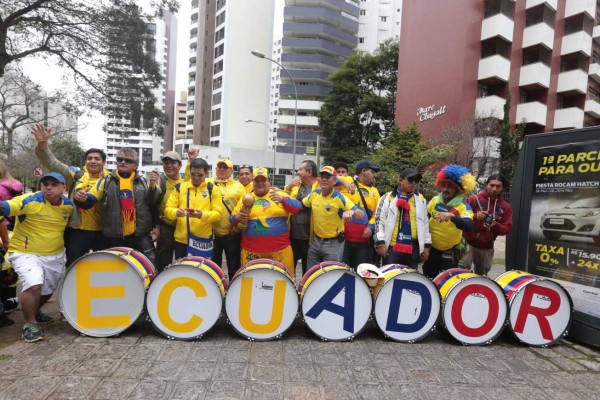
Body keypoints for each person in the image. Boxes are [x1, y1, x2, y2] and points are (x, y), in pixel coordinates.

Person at [0, 172, 74, 342]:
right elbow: (6, 207)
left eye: (54, 184)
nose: (48, 187)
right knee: (34, 284)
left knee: (48, 289)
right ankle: (30, 324)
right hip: (25, 252)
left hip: (54, 255)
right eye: (45, 183)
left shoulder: (69, 206)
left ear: (64, 188)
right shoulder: (29, 200)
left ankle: (34, 310)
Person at [32, 124, 110, 268]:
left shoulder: (111, 180)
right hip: (77, 231)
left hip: (103, 232)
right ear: (85, 161)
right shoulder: (75, 175)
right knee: (74, 267)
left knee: (103, 268)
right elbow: (52, 163)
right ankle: (71, 291)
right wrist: (42, 143)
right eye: (89, 158)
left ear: (104, 163)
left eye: (97, 159)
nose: (93, 161)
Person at [74, 148, 160, 264]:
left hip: (141, 235)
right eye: (120, 159)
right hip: (116, 236)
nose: (122, 162)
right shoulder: (106, 181)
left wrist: (157, 226)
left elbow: (153, 204)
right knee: (116, 271)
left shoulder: (144, 182)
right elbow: (89, 201)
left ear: (135, 165)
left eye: (127, 160)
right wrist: (80, 199)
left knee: (150, 267)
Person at [274, 166, 364, 267]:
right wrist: (283, 198)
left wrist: (351, 212)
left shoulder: (339, 197)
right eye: (322, 177)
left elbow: (361, 214)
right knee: (311, 274)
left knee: (330, 274)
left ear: (334, 180)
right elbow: (299, 205)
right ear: (318, 179)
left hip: (333, 244)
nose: (324, 179)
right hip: (315, 242)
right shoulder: (315, 194)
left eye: (328, 177)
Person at [232, 167, 296, 273]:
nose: (260, 183)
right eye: (257, 181)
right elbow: (231, 219)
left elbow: (297, 208)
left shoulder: (280, 195)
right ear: (253, 182)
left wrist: (284, 199)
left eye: (263, 180)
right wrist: (237, 217)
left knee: (283, 285)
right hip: (251, 252)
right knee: (251, 284)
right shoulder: (246, 198)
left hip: (280, 252)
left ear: (269, 181)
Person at [422, 164, 475, 279]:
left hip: (450, 252)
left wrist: (453, 217)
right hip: (431, 250)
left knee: (447, 282)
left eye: (449, 186)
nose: (445, 189)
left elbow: (468, 226)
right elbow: (423, 221)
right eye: (443, 185)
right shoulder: (435, 201)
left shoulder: (463, 207)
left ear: (458, 189)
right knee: (429, 280)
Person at [164, 158, 222, 259]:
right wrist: (176, 212)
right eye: (193, 174)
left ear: (206, 173)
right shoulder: (180, 187)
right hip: (181, 240)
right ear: (189, 172)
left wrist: (201, 215)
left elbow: (217, 214)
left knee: (201, 272)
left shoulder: (213, 189)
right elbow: (168, 209)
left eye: (200, 175)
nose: (196, 178)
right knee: (182, 271)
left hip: (202, 240)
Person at [374, 168, 431, 269]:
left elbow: (426, 224)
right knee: (389, 279)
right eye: (410, 180)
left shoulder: (421, 200)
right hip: (392, 247)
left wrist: (426, 247)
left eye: (416, 181)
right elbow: (379, 222)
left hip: (413, 248)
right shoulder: (387, 198)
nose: (413, 183)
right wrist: (380, 243)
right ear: (401, 180)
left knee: (411, 279)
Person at [459, 175, 513, 276]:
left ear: (502, 188)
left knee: (482, 276)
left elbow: (507, 229)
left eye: (498, 186)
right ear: (486, 185)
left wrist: (495, 225)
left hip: (486, 246)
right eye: (492, 185)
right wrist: (475, 216)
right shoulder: (472, 199)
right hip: (467, 242)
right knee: (461, 271)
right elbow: (459, 217)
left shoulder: (506, 207)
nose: (494, 189)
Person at [211, 158, 245, 280]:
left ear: (231, 170)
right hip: (212, 234)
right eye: (219, 167)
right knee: (214, 267)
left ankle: (232, 291)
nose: (222, 170)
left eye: (225, 167)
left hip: (231, 233)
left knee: (233, 266)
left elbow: (244, 209)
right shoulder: (209, 183)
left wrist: (236, 228)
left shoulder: (239, 187)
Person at [342, 160, 380, 269]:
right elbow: (330, 178)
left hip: (363, 243)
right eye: (372, 172)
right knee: (342, 271)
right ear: (363, 171)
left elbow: (376, 214)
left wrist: (371, 227)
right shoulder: (348, 185)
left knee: (360, 273)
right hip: (344, 241)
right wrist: (343, 182)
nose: (374, 175)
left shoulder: (375, 191)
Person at [284, 160, 319, 276]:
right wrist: (289, 187)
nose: (297, 172)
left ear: (309, 172)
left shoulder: (319, 185)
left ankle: (305, 292)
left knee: (308, 271)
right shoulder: (296, 186)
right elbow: (284, 200)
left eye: (300, 169)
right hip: (292, 236)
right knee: (289, 268)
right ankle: (291, 292)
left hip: (310, 238)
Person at [153, 151, 186, 270]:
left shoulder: (186, 181)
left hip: (182, 226)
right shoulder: (159, 180)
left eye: (173, 163)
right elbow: (152, 203)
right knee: (163, 259)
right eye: (166, 163)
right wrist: (156, 226)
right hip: (166, 226)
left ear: (180, 165)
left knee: (182, 260)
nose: (169, 166)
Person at [0, 158, 23, 315]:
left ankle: (11, 298)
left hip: (8, 226)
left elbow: (19, 206)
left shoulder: (12, 184)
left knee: (10, 264)